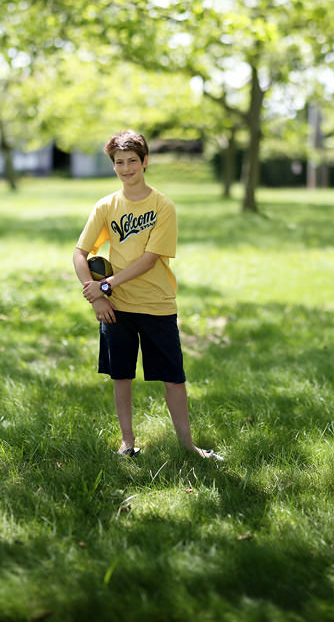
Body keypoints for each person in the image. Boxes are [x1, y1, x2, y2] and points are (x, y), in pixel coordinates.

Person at [72, 130, 221, 461]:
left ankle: (187, 446)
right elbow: (80, 254)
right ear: (113, 166)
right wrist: (97, 297)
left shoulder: (162, 206)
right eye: (119, 163)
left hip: (156, 304)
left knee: (173, 378)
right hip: (117, 309)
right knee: (121, 375)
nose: (126, 169)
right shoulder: (106, 206)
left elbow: (150, 259)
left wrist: (107, 285)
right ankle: (128, 444)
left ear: (145, 162)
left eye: (132, 162)